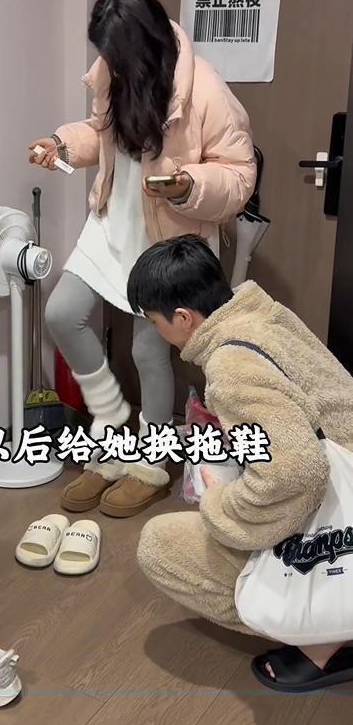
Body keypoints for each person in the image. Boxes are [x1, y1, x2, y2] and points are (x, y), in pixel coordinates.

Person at [29, 0, 256, 517]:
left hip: (168, 234)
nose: (107, 65)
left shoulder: (205, 89)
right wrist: (61, 146)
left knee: (148, 351)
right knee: (62, 313)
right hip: (112, 220)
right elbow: (102, 134)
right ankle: (111, 421)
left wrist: (188, 185)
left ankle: (151, 462)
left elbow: (239, 173)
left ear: (146, 47)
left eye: (115, 56)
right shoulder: (113, 72)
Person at [128, 234, 353, 692]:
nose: (156, 331)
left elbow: (296, 471)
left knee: (159, 547)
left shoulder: (231, 367)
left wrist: (223, 507)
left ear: (183, 318)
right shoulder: (267, 316)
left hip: (339, 520)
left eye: (154, 321)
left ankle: (326, 634)